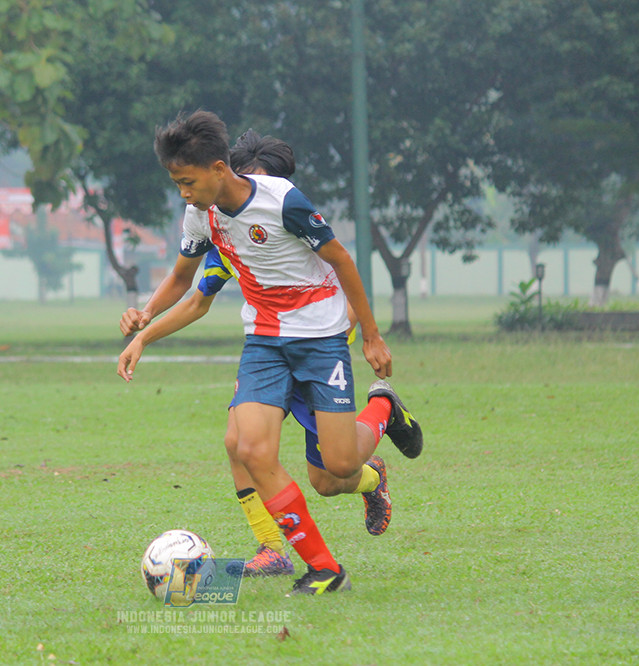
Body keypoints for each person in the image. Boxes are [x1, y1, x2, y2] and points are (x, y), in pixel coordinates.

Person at [125, 111, 422, 595]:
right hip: (263, 341)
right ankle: (321, 568)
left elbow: (342, 259)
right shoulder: (201, 215)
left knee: (337, 470)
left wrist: (371, 334)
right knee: (246, 447)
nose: (183, 192)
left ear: (219, 169)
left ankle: (383, 407)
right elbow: (186, 283)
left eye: (187, 181)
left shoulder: (283, 201)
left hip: (322, 340)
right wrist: (144, 322)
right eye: (176, 182)